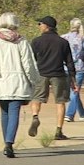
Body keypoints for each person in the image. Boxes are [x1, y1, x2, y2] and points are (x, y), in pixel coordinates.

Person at [0, 13, 42, 159]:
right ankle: (9, 143)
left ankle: (7, 142)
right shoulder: (21, 41)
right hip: (18, 82)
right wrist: (35, 80)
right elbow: (29, 64)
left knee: (4, 112)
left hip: (0, 82)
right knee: (14, 112)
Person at [28, 16, 76, 144]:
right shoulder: (63, 42)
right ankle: (58, 131)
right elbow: (69, 62)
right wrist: (72, 78)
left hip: (41, 74)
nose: (39, 26)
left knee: (37, 98)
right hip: (58, 74)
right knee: (60, 102)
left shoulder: (36, 41)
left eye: (40, 24)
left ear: (46, 26)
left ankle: (35, 116)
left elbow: (32, 60)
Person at [62, 18, 84, 122]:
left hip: (66, 67)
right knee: (75, 91)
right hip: (80, 67)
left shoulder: (64, 37)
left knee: (73, 90)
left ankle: (82, 112)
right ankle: (69, 114)